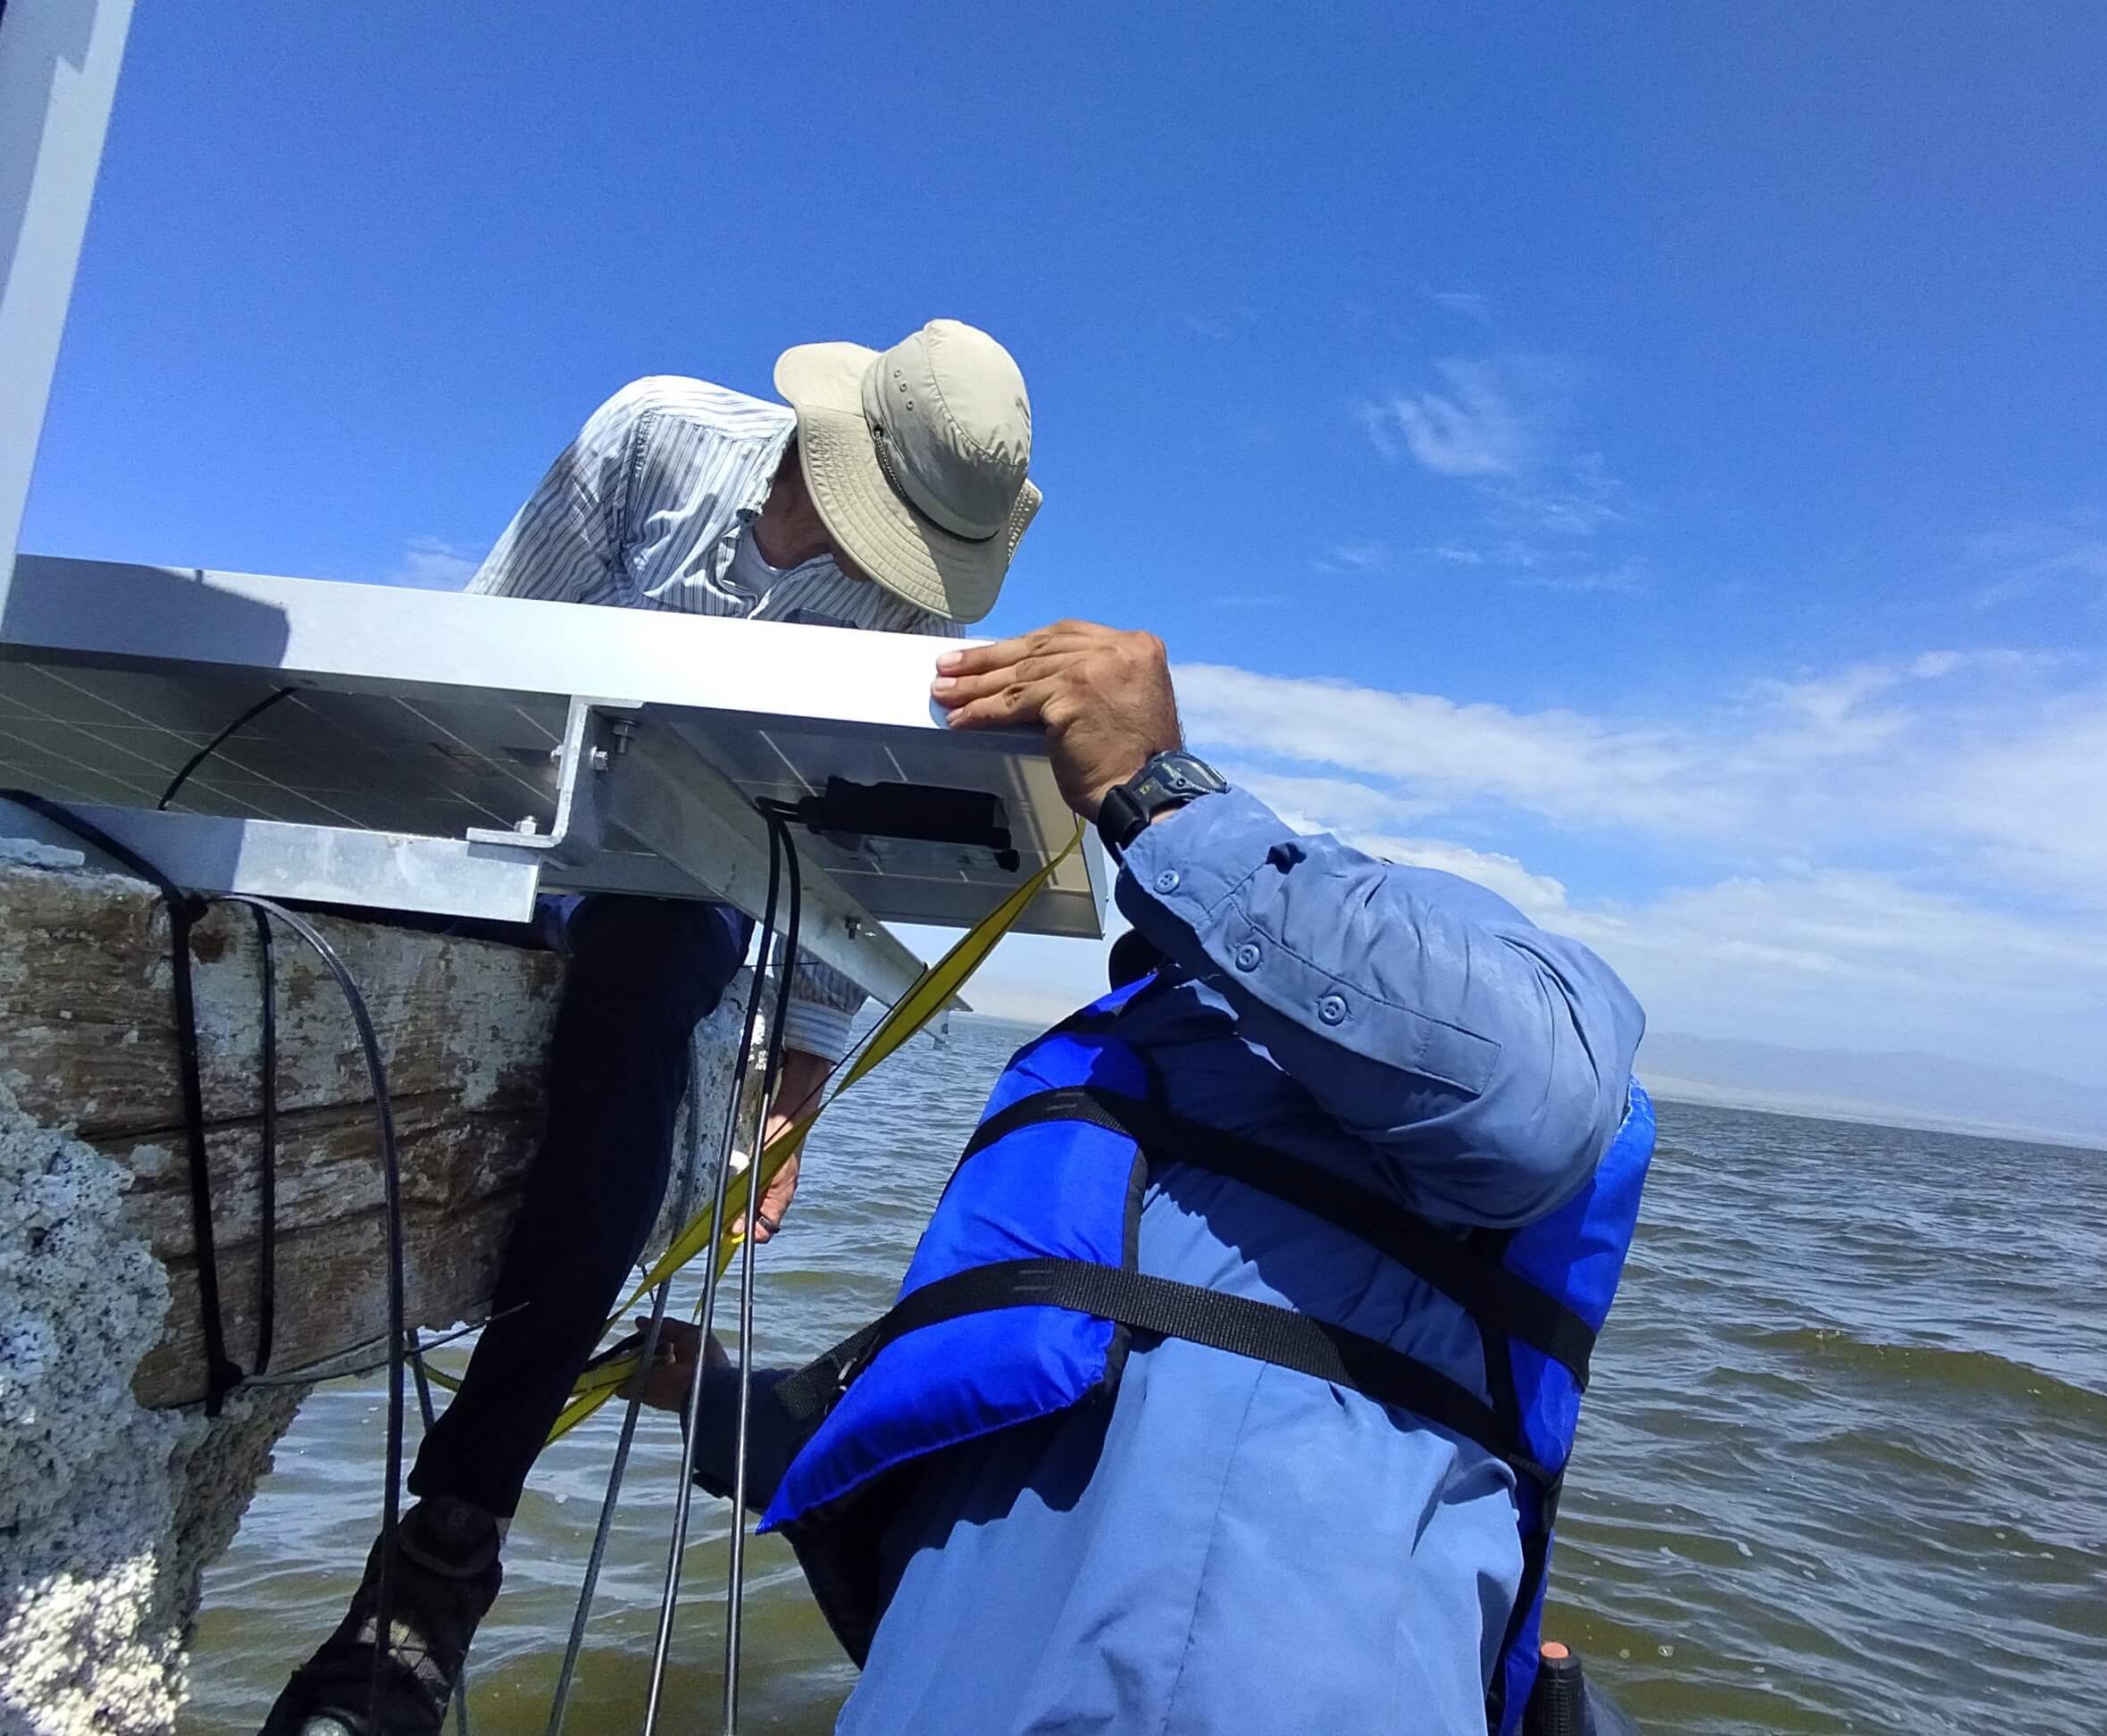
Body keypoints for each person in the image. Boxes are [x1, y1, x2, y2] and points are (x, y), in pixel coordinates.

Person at [626, 620, 1653, 1734]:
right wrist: (707, 1390)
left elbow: (1535, 1099)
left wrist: (1157, 795)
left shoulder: (1457, 1002)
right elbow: (996, 1416)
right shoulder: (1160, 1115)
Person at [263, 320, 1041, 1735]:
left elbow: (837, 861)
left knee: (626, 1066)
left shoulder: (913, 629)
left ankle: (448, 1546)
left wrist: (794, 1079)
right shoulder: (653, 434)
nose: (893, 579)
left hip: (687, 889)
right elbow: (486, 656)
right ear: (837, 446)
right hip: (502, 819)